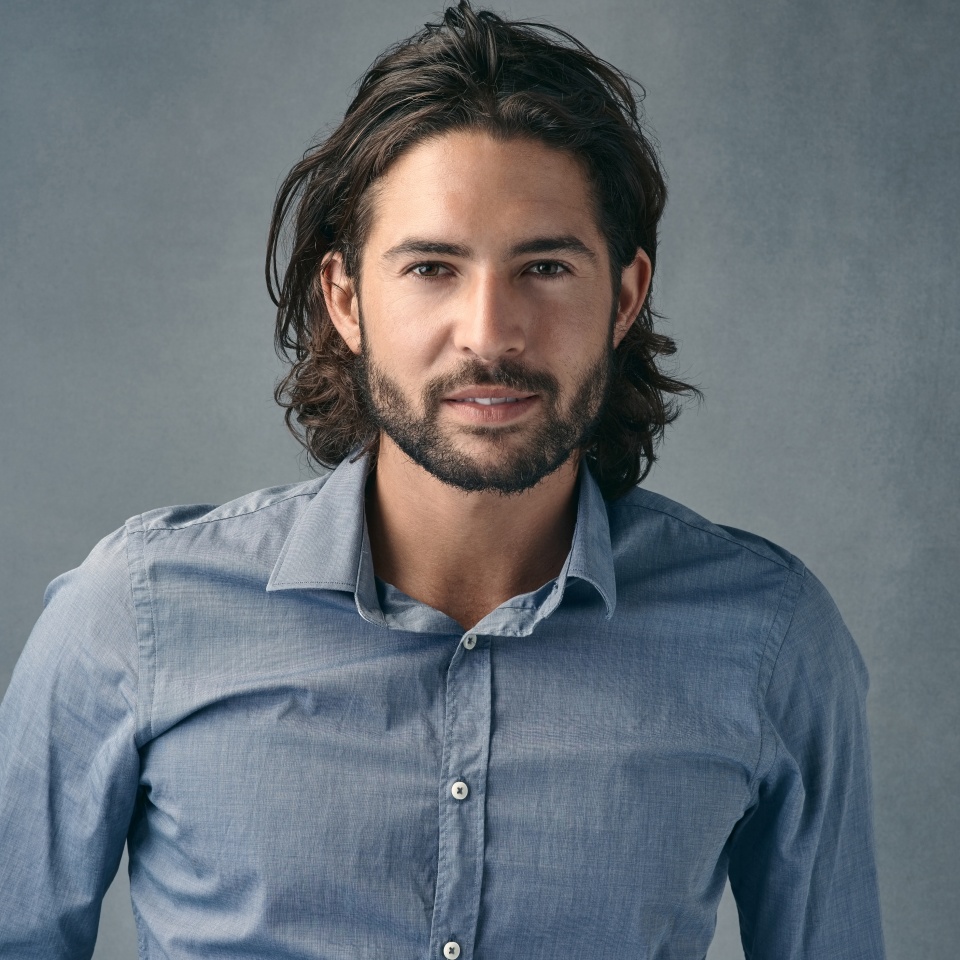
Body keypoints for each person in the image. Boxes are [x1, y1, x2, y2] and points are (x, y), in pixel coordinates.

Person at [0, 3, 885, 958]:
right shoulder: (131, 616)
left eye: (544, 266)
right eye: (431, 267)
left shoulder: (770, 640)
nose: (489, 331)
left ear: (625, 297)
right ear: (345, 299)